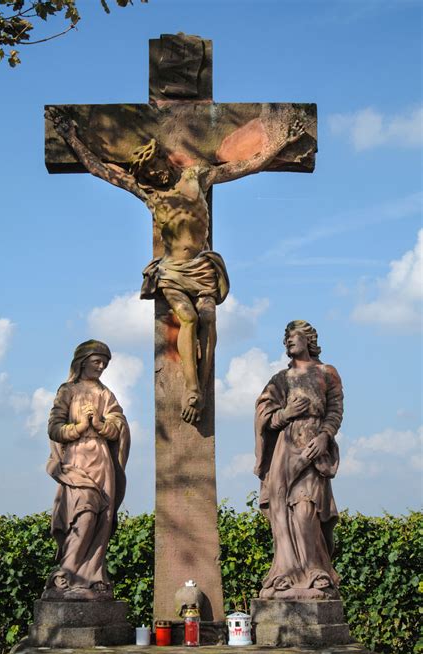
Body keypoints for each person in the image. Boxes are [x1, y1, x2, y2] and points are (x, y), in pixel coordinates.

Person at [49, 110, 305, 424]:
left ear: (163, 160)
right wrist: (72, 139)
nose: (154, 177)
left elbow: (242, 167)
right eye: (148, 175)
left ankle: (202, 383)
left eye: (155, 169)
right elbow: (105, 171)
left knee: (208, 317)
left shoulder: (197, 177)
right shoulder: (154, 198)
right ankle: (192, 388)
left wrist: (279, 146)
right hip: (171, 271)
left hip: (201, 267)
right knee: (187, 317)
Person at [254, 321, 343, 599]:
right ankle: (287, 573)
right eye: (287, 339)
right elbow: (264, 415)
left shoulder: (326, 373)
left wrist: (325, 436)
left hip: (314, 447)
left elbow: (335, 409)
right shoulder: (281, 379)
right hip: (286, 447)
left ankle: (315, 571)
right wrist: (286, 413)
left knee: (306, 510)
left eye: (294, 338)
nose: (289, 342)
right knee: (281, 512)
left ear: (309, 340)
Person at [43, 340, 130, 601]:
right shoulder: (68, 391)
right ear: (82, 361)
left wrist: (102, 424)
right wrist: (79, 426)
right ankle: (67, 571)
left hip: (102, 460)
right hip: (77, 458)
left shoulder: (106, 394)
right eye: (97, 361)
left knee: (103, 516)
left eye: (105, 362)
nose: (101, 366)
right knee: (84, 512)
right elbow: (54, 428)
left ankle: (93, 574)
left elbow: (118, 427)